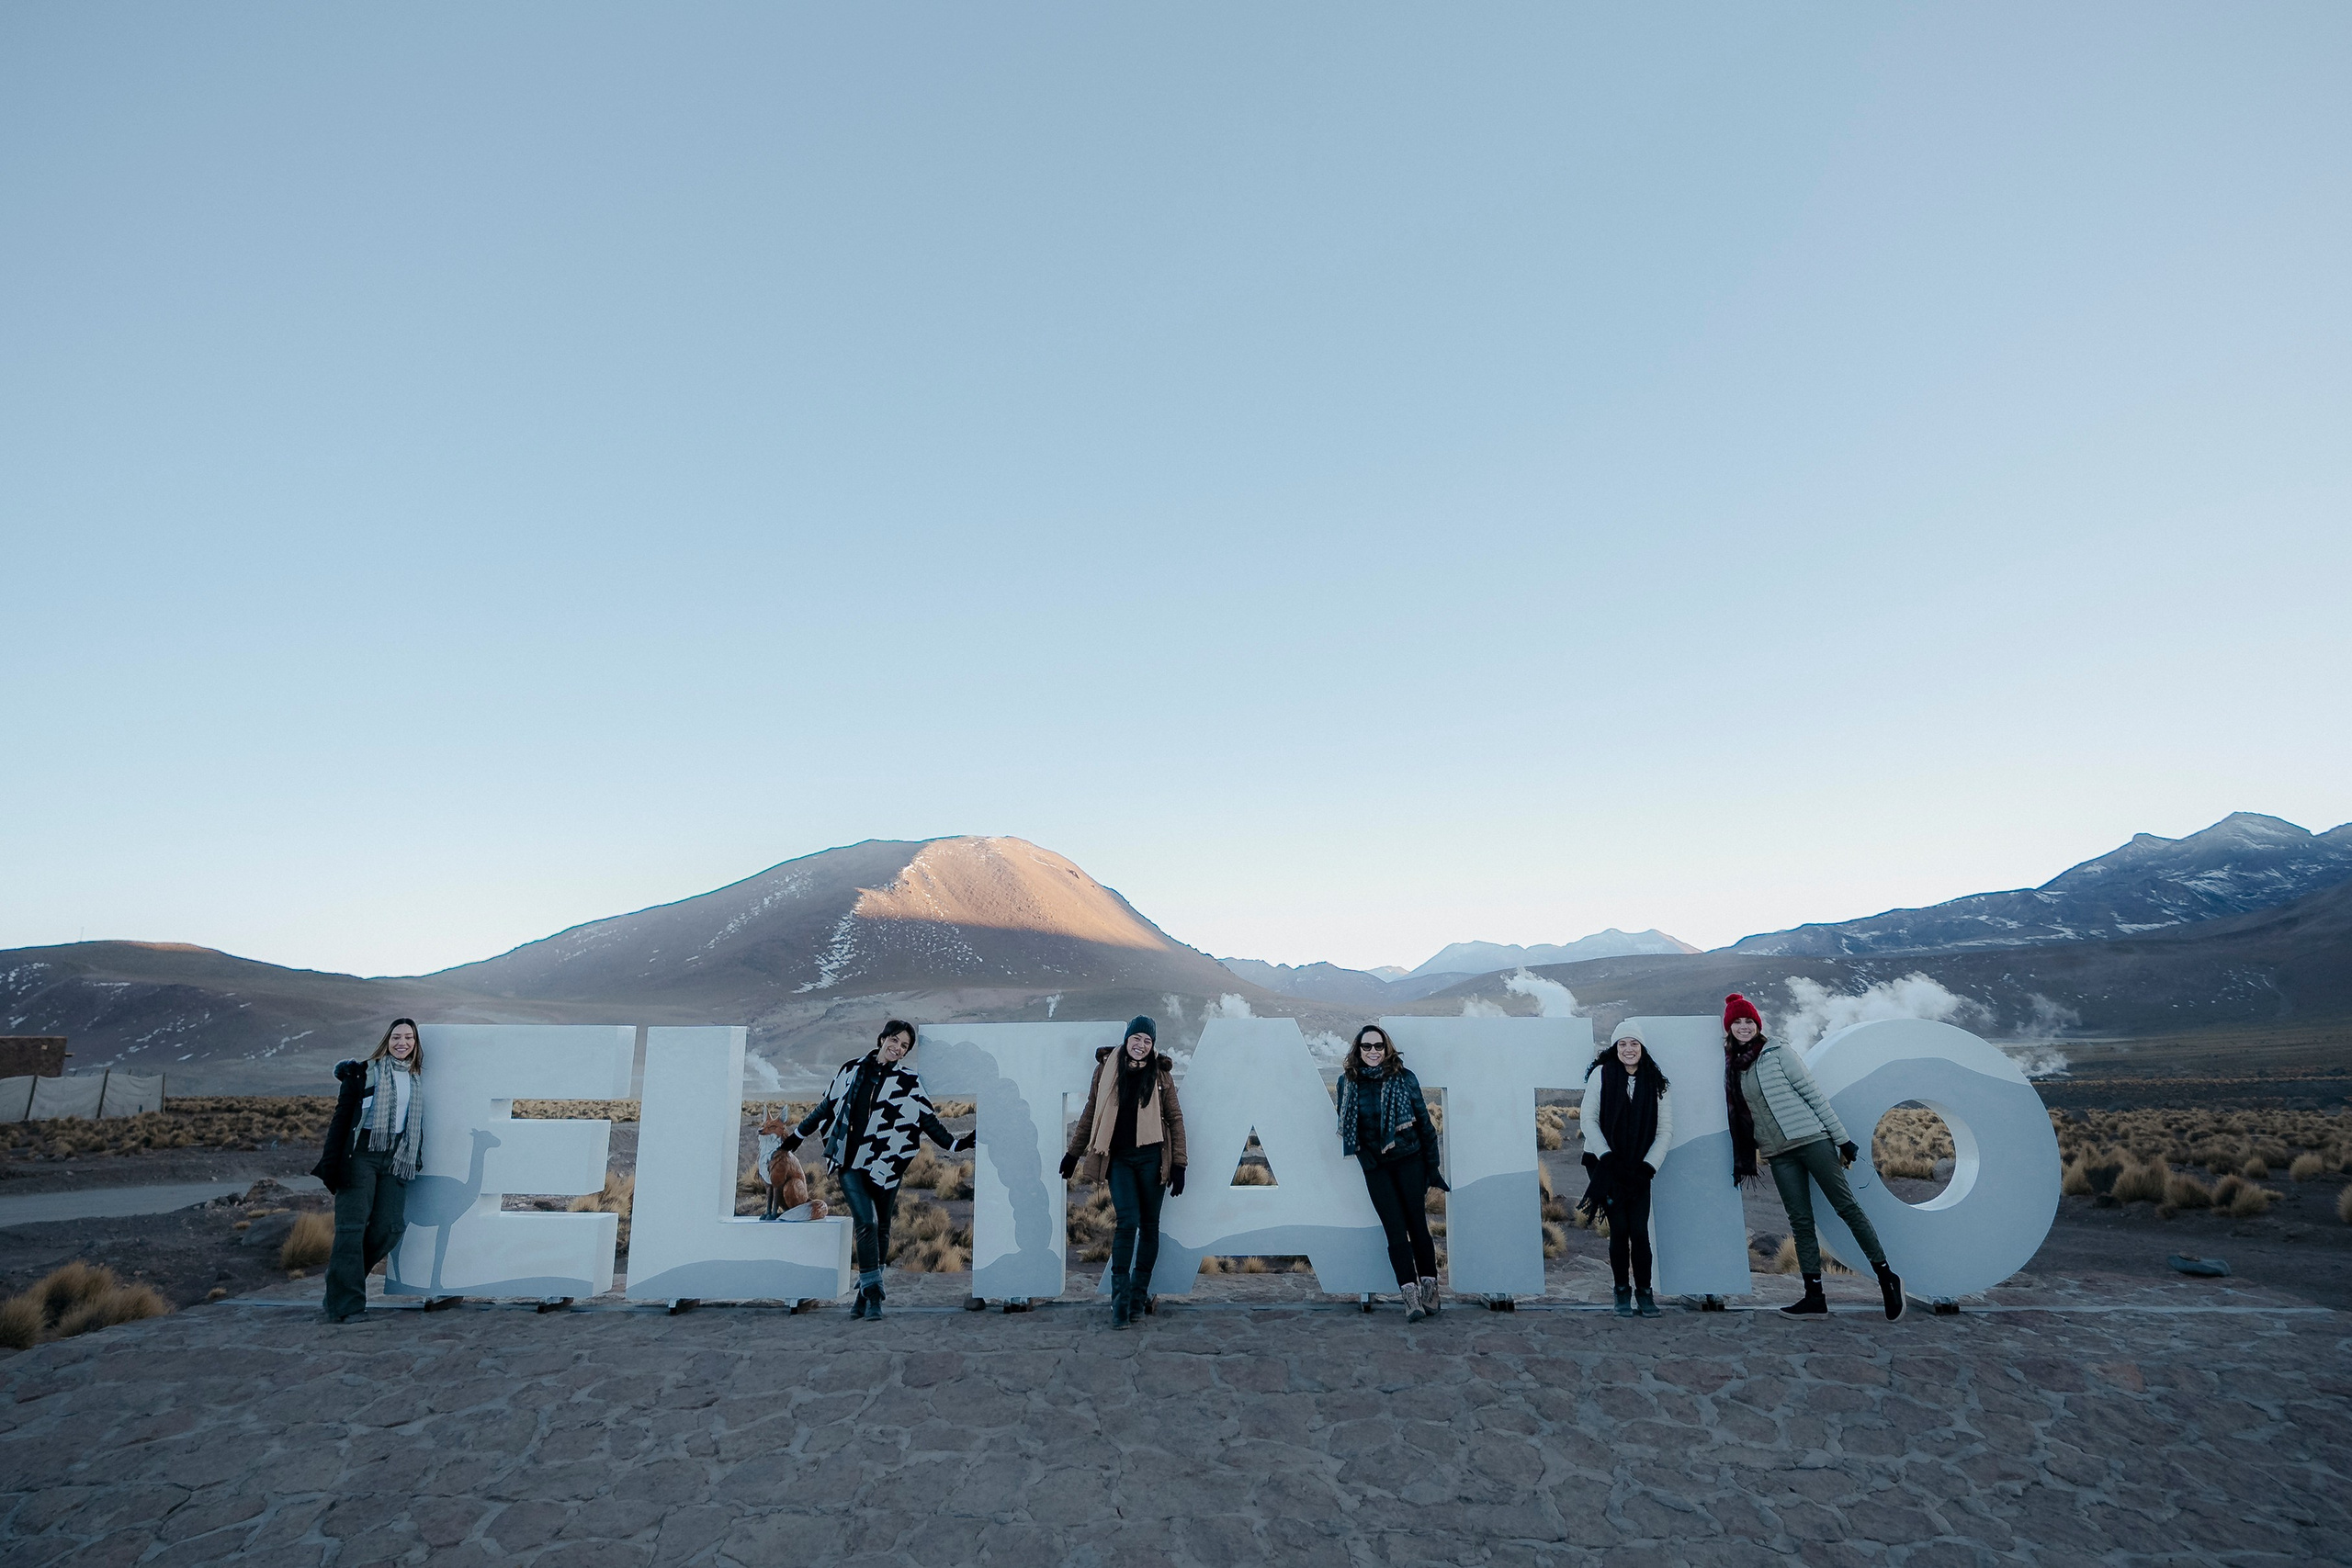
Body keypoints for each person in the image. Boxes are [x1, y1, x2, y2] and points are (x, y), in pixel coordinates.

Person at [1722, 993, 1905, 1320]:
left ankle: (1886, 1278)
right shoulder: (1734, 1067)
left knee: (1846, 1207)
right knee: (1800, 1221)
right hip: (1778, 1152)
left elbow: (1813, 1095)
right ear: (1729, 1027)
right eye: (1737, 1022)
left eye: (1748, 1021)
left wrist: (1842, 1139)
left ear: (1757, 1024)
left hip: (1810, 1140)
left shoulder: (1778, 1053)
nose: (1744, 1026)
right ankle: (1814, 1296)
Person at [786, 1020, 972, 1319]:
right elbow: (825, 1107)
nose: (898, 1048)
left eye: (904, 1046)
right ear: (882, 1038)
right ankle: (874, 1294)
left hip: (886, 1164)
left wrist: (955, 1145)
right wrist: (794, 1138)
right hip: (849, 1162)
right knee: (867, 1223)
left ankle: (864, 1297)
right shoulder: (850, 1070)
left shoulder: (908, 1082)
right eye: (895, 1041)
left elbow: (927, 1120)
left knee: (882, 1227)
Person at [1060, 1016, 1187, 1328]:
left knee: (1149, 1225)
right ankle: (1119, 1304)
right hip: (1118, 1159)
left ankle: (1136, 1298)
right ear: (1127, 1038)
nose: (1141, 1045)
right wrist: (1073, 1153)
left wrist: (1180, 1163)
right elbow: (1092, 1111)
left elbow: (1175, 1118)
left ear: (1152, 1045)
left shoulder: (1161, 1074)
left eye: (1148, 1040)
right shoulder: (1106, 1070)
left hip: (1152, 1158)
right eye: (1137, 1038)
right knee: (1127, 1224)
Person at [1335, 1024, 1448, 1322]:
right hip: (1376, 1168)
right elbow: (1349, 1130)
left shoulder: (1404, 1079)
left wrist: (1431, 1167)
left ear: (1387, 1049)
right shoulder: (1348, 1083)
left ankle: (1430, 1288)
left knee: (1417, 1226)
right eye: (1367, 1047)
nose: (1373, 1052)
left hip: (1410, 1161)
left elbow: (1425, 1125)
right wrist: (1365, 1157)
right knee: (1394, 1230)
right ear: (1357, 1051)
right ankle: (1409, 1296)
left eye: (1378, 1046)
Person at [315, 1018, 424, 1325]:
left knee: (389, 1227)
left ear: (416, 1044)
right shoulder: (364, 1072)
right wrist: (331, 1163)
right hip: (361, 1153)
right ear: (386, 1040)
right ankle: (347, 1306)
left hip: (396, 1156)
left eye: (409, 1038)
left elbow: (416, 1123)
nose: (402, 1043)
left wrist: (415, 1155)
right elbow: (341, 1119)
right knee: (351, 1228)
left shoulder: (415, 1079)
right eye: (396, 1037)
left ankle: (339, 1286)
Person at [1579, 1030, 1671, 1318]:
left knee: (1639, 1232)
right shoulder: (1601, 1076)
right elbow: (1588, 1119)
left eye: (1634, 1043)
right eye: (1623, 1044)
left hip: (1639, 1169)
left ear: (1642, 1047)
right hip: (1606, 1166)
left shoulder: (1657, 1083)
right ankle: (1621, 1290)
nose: (1628, 1049)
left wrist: (1647, 1167)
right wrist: (1607, 1157)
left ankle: (1644, 1292)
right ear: (1615, 1048)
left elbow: (1664, 1131)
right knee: (1619, 1230)